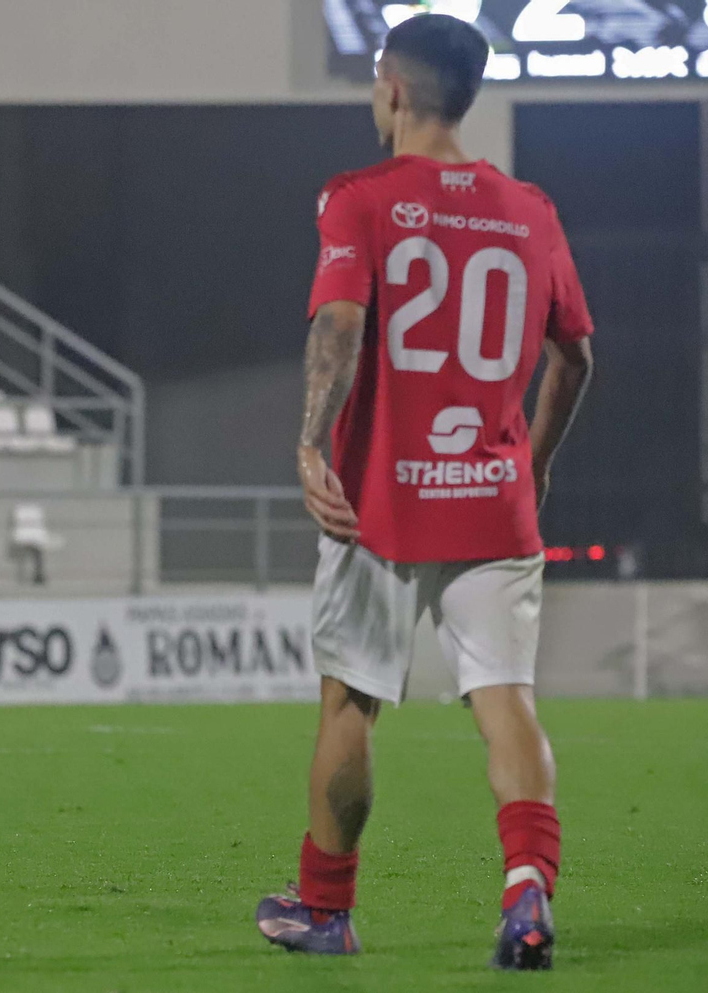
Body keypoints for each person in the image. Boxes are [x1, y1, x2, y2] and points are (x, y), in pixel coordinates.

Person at [255, 13, 594, 971]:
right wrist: (533, 454)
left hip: (380, 506)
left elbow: (342, 323)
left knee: (351, 704)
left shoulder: (358, 198)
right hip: (493, 497)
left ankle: (326, 909)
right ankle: (527, 890)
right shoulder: (530, 209)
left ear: (392, 89)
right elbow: (576, 354)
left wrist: (312, 443)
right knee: (507, 700)